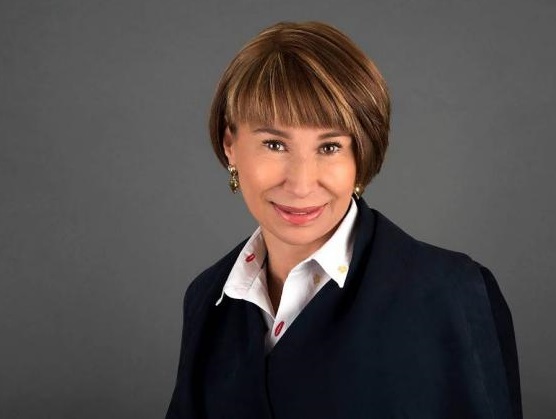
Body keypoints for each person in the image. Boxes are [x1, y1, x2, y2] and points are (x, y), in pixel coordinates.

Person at [166, 21, 522, 419]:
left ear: (362, 154)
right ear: (230, 145)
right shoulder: (206, 300)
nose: (301, 184)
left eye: (330, 147)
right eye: (274, 144)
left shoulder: (451, 294)